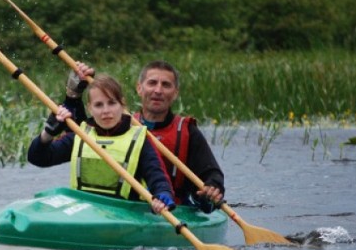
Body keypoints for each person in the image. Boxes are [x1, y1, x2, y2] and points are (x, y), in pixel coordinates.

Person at [27, 64, 175, 215]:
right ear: (90, 108)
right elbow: (38, 158)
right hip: (84, 212)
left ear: (122, 105)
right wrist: (48, 132)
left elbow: (157, 177)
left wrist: (162, 195)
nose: (106, 111)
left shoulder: (139, 140)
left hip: (125, 216)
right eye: (99, 105)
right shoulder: (81, 135)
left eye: (111, 103)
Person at [133, 60, 225, 213]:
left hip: (174, 209)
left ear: (175, 93)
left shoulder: (188, 132)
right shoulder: (123, 124)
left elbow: (211, 173)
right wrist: (77, 93)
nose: (158, 90)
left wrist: (213, 187)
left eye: (166, 85)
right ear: (139, 88)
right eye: (152, 83)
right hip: (128, 207)